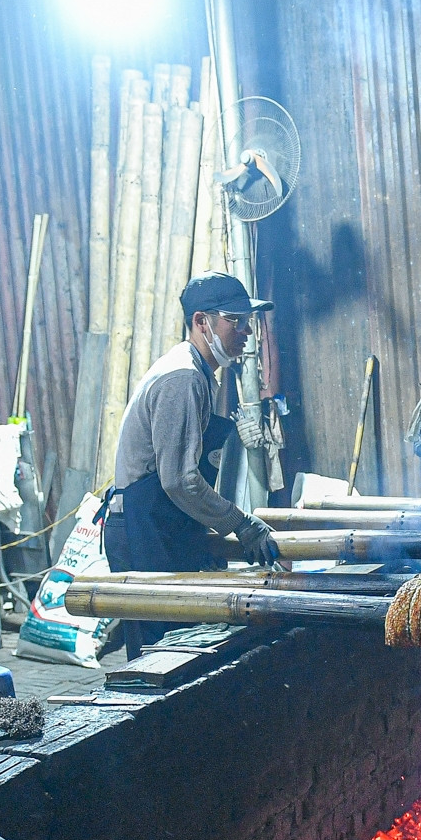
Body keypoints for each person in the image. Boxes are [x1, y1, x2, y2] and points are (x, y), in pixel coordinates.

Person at [104, 272, 282, 661]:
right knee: (160, 659)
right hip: (143, 529)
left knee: (179, 651)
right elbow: (180, 481)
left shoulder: (200, 373)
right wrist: (242, 524)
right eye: (235, 321)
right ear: (202, 322)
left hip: (162, 525)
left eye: (247, 321)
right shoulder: (183, 377)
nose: (246, 330)